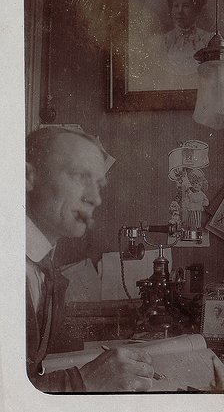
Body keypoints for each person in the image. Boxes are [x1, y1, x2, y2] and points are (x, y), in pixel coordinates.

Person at [26, 126, 154, 392]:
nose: (95, 199)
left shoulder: (41, 262)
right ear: (26, 176)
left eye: (98, 184)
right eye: (79, 177)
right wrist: (83, 381)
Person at [149, 0, 213, 80]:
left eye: (186, 6)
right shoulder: (162, 42)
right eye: (176, 6)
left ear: (196, 9)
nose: (179, 11)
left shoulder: (208, 40)